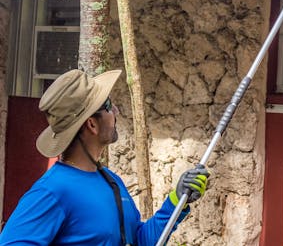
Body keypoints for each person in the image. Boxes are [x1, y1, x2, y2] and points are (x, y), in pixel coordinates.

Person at [0, 69, 208, 245]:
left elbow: (139, 240)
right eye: (108, 105)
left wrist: (177, 200)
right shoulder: (52, 191)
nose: (115, 111)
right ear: (92, 124)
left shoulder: (111, 180)